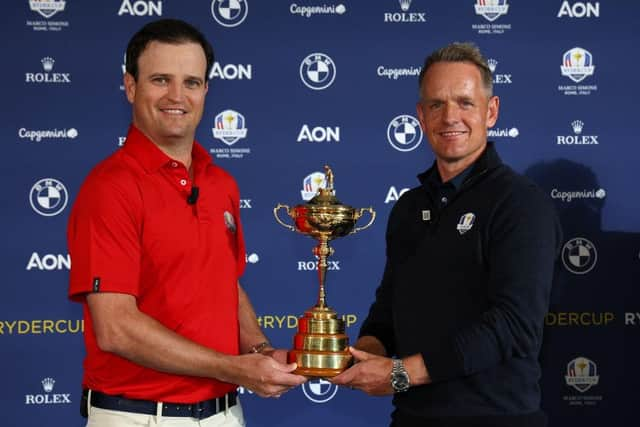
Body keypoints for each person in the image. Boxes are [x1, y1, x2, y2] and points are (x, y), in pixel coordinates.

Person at [67, 19, 306, 427]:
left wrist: (260, 351)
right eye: (161, 79)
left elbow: (225, 283)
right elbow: (116, 328)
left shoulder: (221, 183)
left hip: (224, 414)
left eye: (191, 82)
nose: (177, 96)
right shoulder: (110, 187)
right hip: (140, 417)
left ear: (206, 90)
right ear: (130, 86)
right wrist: (232, 368)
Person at [331, 42, 562, 427]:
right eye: (436, 104)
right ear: (421, 115)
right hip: (412, 418)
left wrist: (401, 373)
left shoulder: (521, 203)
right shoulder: (407, 208)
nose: (449, 116)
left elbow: (514, 324)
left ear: (491, 111)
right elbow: (390, 310)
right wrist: (360, 354)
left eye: (465, 102)